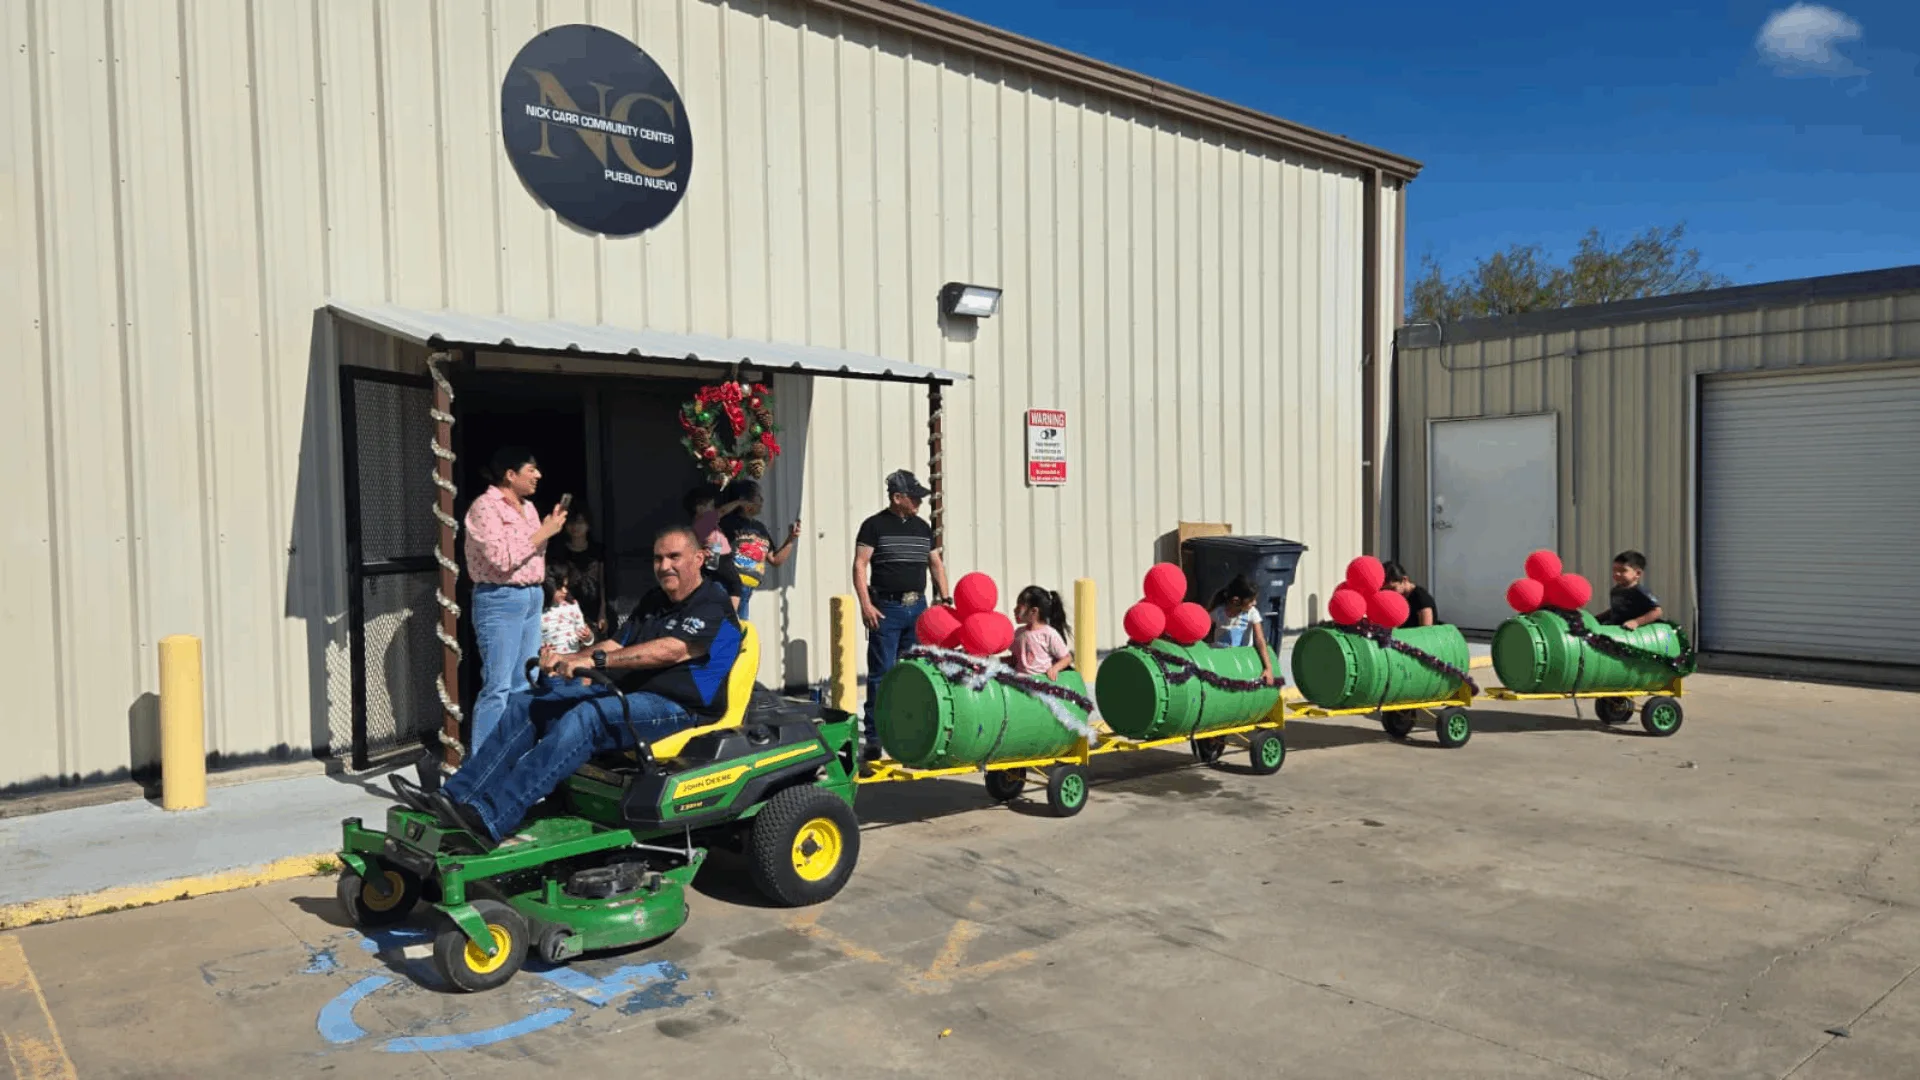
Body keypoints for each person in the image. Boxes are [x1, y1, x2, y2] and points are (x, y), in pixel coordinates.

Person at [401, 525, 743, 846]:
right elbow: (614, 645)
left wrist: (592, 663)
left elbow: (671, 650)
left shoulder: (713, 602)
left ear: (698, 558)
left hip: (680, 708)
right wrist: (569, 659)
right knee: (528, 703)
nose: (664, 565)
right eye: (658, 558)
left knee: (587, 716)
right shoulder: (655, 601)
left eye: (674, 557)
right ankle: (453, 798)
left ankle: (490, 818)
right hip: (633, 694)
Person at [464, 446, 567, 757]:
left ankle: (515, 754)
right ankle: (481, 766)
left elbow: (531, 555)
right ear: (510, 474)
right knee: (497, 685)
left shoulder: (530, 508)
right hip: (500, 597)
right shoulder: (485, 507)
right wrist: (545, 532)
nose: (538, 475)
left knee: (526, 680)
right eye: (531, 470)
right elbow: (500, 558)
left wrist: (545, 528)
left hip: (531, 597)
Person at [853, 469, 951, 751]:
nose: (919, 502)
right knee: (881, 673)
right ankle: (874, 737)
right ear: (897, 498)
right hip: (886, 610)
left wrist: (945, 599)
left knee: (914, 673)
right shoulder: (874, 526)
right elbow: (860, 565)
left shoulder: (922, 528)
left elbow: (935, 565)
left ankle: (909, 732)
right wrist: (866, 604)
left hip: (917, 608)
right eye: (914, 497)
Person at [718, 480, 802, 621]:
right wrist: (739, 503)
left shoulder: (760, 528)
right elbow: (710, 519)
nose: (762, 500)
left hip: (748, 589)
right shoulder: (728, 522)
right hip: (730, 587)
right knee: (727, 627)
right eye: (758, 496)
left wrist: (791, 538)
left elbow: (775, 560)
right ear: (745, 500)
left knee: (741, 629)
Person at [546, 504, 609, 636]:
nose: (575, 527)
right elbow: (552, 580)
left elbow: (603, 584)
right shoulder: (558, 551)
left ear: (588, 524)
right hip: (567, 610)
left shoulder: (597, 551)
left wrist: (603, 611)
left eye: (580, 522)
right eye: (571, 522)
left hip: (593, 608)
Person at [684, 484, 746, 610]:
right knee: (736, 585)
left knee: (715, 584)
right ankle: (732, 614)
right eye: (710, 506)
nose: (713, 509)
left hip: (712, 557)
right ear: (699, 508)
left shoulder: (696, 525)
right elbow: (722, 511)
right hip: (721, 556)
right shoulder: (704, 520)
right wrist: (739, 502)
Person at [1206, 576, 1275, 686]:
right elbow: (1203, 630)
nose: (1255, 603)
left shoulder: (1251, 613)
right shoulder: (1218, 612)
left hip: (1241, 662)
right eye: (1251, 600)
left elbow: (1260, 639)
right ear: (1236, 601)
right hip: (1221, 660)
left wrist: (1268, 668)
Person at [1011, 586, 1073, 680]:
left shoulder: (1049, 633)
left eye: (1019, 607)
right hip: (1021, 682)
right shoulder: (1019, 633)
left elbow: (1067, 658)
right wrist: (992, 661)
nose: (1014, 610)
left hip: (1041, 682)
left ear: (1034, 611)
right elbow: (1015, 659)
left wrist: (1055, 669)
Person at [1596, 550, 1665, 629]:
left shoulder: (1639, 591)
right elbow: (1617, 610)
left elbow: (1657, 612)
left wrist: (1636, 622)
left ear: (1638, 573)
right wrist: (1597, 618)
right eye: (1614, 570)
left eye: (1623, 570)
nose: (1617, 574)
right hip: (1618, 629)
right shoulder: (1615, 591)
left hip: (1637, 632)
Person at [540, 568, 594, 655]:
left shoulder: (572, 606)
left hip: (571, 658)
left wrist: (587, 636)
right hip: (548, 660)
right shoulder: (538, 611)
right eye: (559, 588)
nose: (565, 591)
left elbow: (583, 633)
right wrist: (540, 650)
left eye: (565, 586)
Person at [1383, 561, 1442, 627]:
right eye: (1385, 590)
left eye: (1392, 588)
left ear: (1404, 580)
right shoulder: (1396, 599)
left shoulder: (1421, 598)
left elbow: (1426, 631)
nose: (1389, 593)